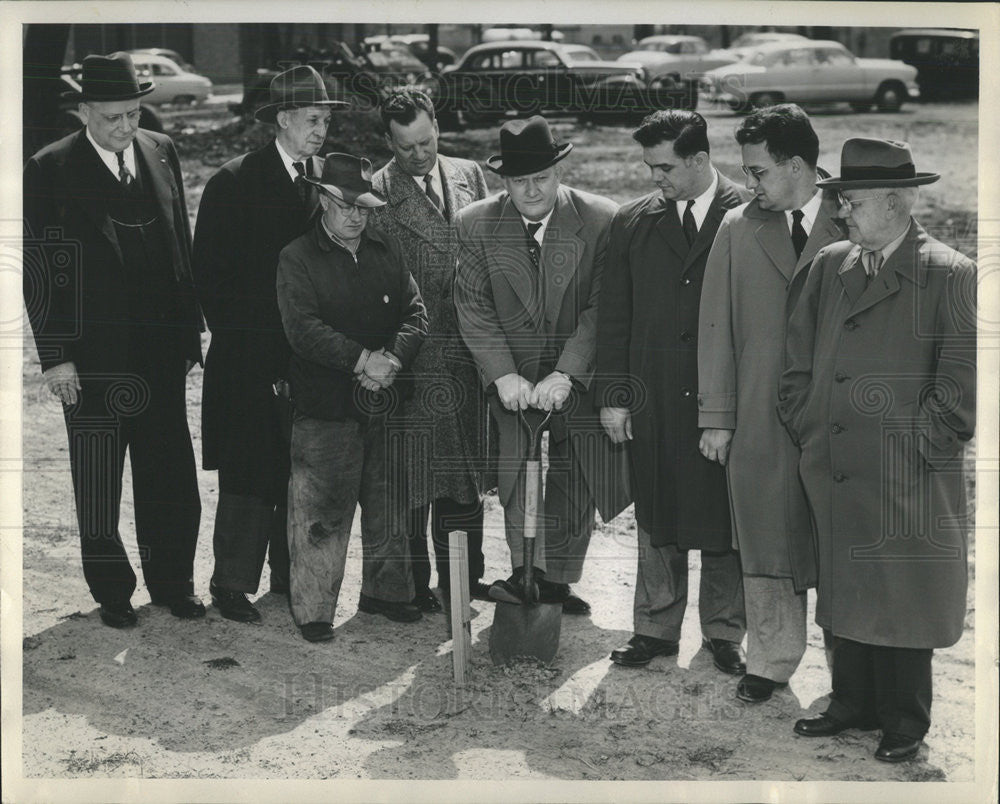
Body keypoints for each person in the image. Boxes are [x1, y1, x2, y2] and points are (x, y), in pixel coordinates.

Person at [778, 138, 976, 762]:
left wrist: (911, 451)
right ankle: (850, 702)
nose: (839, 214)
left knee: (902, 597)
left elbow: (959, 390)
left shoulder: (949, 273)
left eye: (851, 202)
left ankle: (904, 721)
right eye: (838, 203)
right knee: (843, 590)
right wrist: (811, 426)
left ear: (894, 202)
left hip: (904, 475)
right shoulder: (830, 265)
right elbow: (795, 366)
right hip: (833, 466)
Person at [22, 52, 204, 627]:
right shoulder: (49, 169)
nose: (126, 128)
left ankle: (173, 582)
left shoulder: (161, 150)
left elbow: (181, 243)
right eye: (112, 118)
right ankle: (113, 592)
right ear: (83, 113)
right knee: (99, 478)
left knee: (170, 473)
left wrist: (189, 335)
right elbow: (40, 270)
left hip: (159, 353)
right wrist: (57, 359)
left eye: (133, 113)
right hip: (93, 361)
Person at [697, 104, 844, 702]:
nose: (748, 183)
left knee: (837, 542)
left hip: (834, 418)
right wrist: (716, 416)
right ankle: (771, 659)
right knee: (763, 534)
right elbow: (715, 327)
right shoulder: (737, 226)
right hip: (758, 413)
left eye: (757, 171)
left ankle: (851, 674)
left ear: (798, 166)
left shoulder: (854, 214)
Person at [455, 116, 630, 613]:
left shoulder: (601, 218)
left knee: (575, 473)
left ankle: (558, 580)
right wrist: (503, 373)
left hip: (578, 372)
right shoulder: (474, 224)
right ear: (502, 181)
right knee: (516, 472)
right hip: (511, 376)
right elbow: (473, 305)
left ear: (558, 173)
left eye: (541, 178)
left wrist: (568, 371)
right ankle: (522, 571)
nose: (531, 190)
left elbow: (602, 304)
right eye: (518, 181)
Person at [595, 110, 750, 671]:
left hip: (721, 396)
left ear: (700, 160)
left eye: (663, 167)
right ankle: (655, 628)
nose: (653, 177)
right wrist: (614, 395)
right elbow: (615, 315)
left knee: (724, 516)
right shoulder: (633, 221)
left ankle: (725, 631)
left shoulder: (748, 215)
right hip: (654, 397)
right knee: (658, 510)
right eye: (648, 166)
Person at [192, 66, 347, 624]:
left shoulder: (328, 181)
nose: (321, 131)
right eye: (312, 119)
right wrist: (260, 350)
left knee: (299, 466)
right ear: (282, 120)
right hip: (249, 358)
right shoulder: (233, 182)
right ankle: (231, 584)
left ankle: (289, 578)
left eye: (326, 120)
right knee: (247, 468)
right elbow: (209, 279)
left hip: (309, 358)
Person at [276, 153, 428, 643]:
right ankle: (315, 610)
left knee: (390, 503)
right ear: (323, 200)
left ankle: (387, 594)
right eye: (345, 205)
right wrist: (364, 360)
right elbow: (303, 330)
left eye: (363, 206)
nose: (355, 215)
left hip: (386, 401)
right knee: (321, 510)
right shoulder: (297, 257)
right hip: (326, 406)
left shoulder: (388, 248)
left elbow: (415, 313)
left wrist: (394, 362)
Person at [369, 88, 491, 613]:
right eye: (404, 149)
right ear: (388, 143)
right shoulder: (375, 192)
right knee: (416, 481)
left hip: (472, 355)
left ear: (437, 127)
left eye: (425, 142)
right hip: (415, 362)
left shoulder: (470, 175)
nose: (418, 156)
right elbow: (373, 288)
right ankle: (416, 587)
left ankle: (466, 581)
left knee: (467, 477)